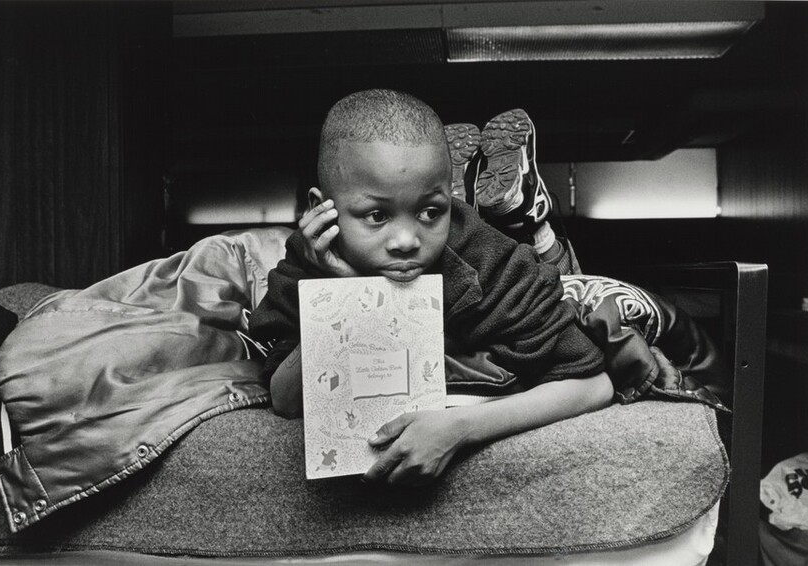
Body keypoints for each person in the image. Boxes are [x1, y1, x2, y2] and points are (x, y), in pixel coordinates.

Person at [247, 89, 614, 487]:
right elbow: (284, 401)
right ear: (322, 208)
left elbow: (594, 384)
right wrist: (348, 297)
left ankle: (525, 217)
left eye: (429, 211)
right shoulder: (310, 257)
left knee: (577, 283)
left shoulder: (487, 259)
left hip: (537, 271)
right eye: (376, 215)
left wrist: (460, 428)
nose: (406, 239)